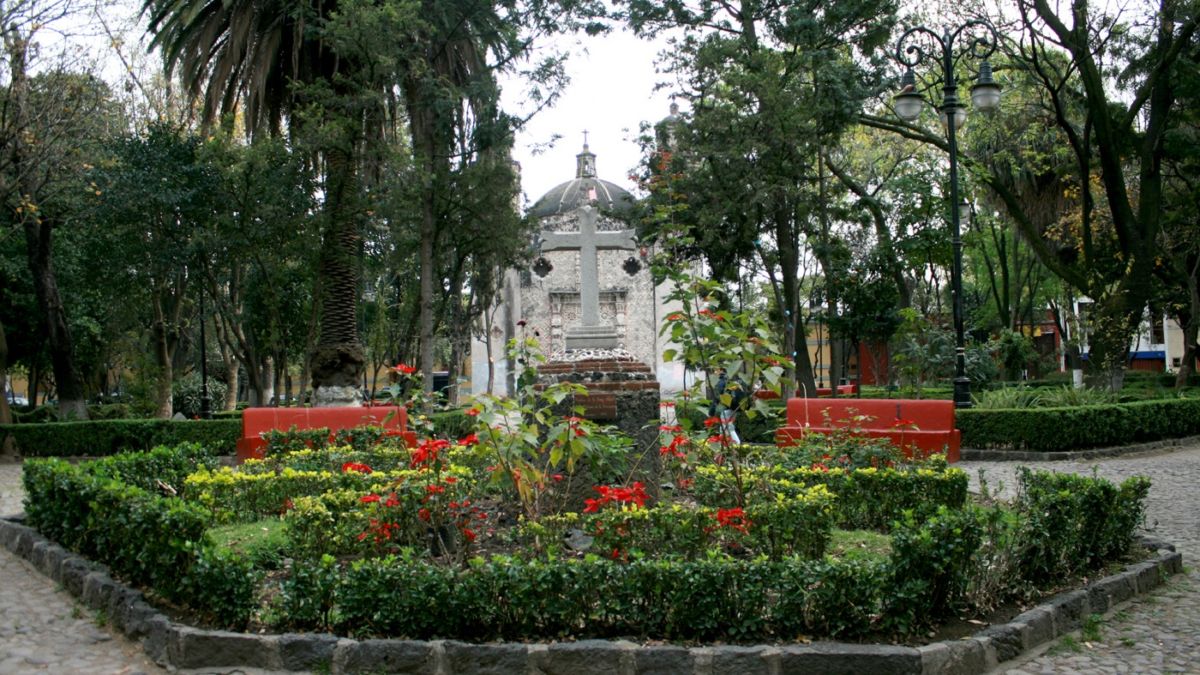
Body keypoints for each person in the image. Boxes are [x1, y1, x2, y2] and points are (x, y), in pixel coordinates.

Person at [709, 369, 744, 445]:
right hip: (734, 407)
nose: (715, 372)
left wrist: (711, 412)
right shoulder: (731, 381)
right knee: (724, 428)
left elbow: (718, 397)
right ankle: (723, 444)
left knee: (728, 427)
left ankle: (736, 443)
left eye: (716, 370)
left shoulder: (721, 382)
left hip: (727, 409)